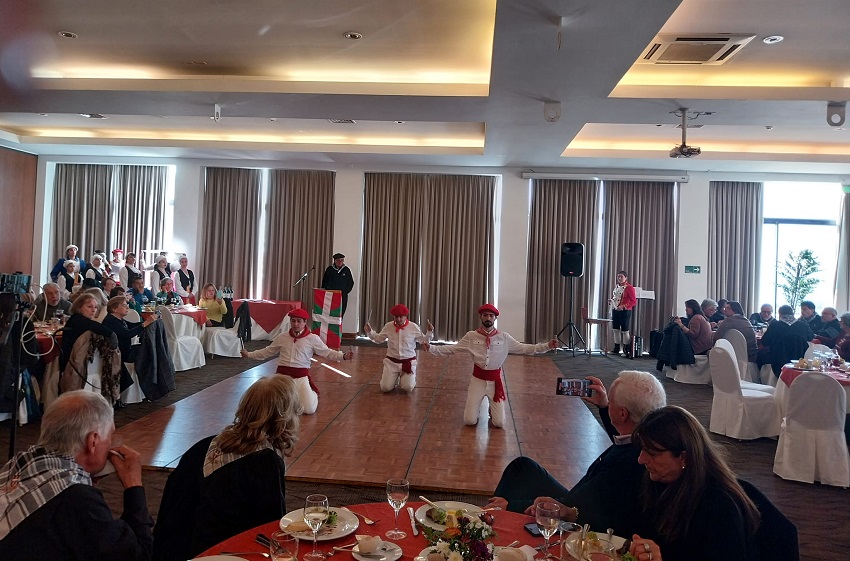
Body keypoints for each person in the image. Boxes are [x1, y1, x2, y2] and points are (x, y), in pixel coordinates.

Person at [485, 371, 666, 535]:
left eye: (611, 401)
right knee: (523, 468)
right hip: (588, 500)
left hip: (580, 514)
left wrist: (511, 506)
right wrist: (604, 407)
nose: (608, 402)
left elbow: (578, 508)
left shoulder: (626, 465)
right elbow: (624, 439)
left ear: (623, 414)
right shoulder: (644, 442)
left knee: (518, 478)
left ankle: (491, 527)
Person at [153, 375, 301, 561]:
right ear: (286, 418)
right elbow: (270, 530)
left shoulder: (204, 446)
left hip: (173, 550)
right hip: (222, 553)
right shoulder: (266, 462)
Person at [0, 391, 153, 560]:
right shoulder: (77, 500)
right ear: (93, 441)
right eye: (110, 435)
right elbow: (138, 554)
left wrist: (85, 483)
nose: (111, 444)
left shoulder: (21, 462)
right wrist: (134, 486)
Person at [627, 406, 761, 561]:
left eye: (652, 453)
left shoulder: (720, 506)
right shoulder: (659, 481)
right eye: (642, 450)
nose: (641, 459)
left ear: (684, 457)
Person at [425, 304, 557, 427]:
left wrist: (547, 346)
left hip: (495, 382)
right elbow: (451, 349)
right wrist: (431, 347)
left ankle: (492, 408)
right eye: (485, 315)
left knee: (499, 423)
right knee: (469, 421)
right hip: (477, 381)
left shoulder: (504, 337)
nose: (488, 318)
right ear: (481, 317)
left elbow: (525, 348)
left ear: (495, 318)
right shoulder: (471, 336)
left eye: (491, 316)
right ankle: (479, 406)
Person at [240, 308, 354, 414]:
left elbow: (327, 352)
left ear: (305, 322)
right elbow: (267, 352)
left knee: (309, 409)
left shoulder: (312, 339)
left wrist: (343, 356)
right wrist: (249, 354)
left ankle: (312, 393)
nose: (295, 324)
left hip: (300, 377)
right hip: (281, 378)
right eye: (293, 321)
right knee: (272, 409)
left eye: (299, 321)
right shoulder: (282, 337)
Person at [364, 304, 434, 393]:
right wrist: (370, 332)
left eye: (401, 317)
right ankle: (394, 378)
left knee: (408, 388)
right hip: (392, 362)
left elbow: (424, 341)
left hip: (407, 362)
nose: (398, 319)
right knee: (385, 388)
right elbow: (378, 339)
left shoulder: (413, 327)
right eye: (396, 317)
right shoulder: (388, 326)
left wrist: (429, 332)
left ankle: (408, 378)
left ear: (405, 316)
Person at [59, 292, 118, 373]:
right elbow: (98, 327)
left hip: (80, 362)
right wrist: (112, 335)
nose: (93, 310)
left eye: (95, 307)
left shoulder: (79, 319)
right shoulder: (77, 320)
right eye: (89, 307)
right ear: (79, 308)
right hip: (72, 365)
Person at [757, 305, 814, 375]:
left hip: (777, 360)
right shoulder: (803, 325)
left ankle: (761, 380)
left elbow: (764, 342)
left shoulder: (775, 325)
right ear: (792, 314)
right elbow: (811, 338)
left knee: (759, 355)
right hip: (799, 361)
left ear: (780, 314)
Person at [103, 296, 157, 364]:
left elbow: (132, 325)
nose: (127, 307)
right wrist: (145, 324)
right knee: (150, 350)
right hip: (120, 354)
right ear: (114, 309)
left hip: (126, 350)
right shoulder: (110, 321)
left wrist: (148, 322)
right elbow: (128, 334)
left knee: (151, 347)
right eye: (124, 305)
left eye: (127, 305)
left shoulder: (117, 319)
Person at [609, 270, 636, 356]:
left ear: (626, 278)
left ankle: (626, 350)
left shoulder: (629, 288)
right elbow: (615, 297)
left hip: (625, 311)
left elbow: (633, 301)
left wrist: (624, 306)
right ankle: (616, 348)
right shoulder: (616, 287)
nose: (619, 278)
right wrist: (611, 301)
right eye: (618, 277)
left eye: (621, 277)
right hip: (615, 310)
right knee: (615, 329)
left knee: (625, 330)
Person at [321, 252, 355, 317]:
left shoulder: (346, 270)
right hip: (331, 295)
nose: (340, 262)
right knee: (330, 314)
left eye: (342, 260)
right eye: (338, 260)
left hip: (342, 296)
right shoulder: (329, 270)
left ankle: (339, 326)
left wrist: (345, 291)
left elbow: (351, 282)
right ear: (335, 261)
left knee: (340, 315)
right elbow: (324, 282)